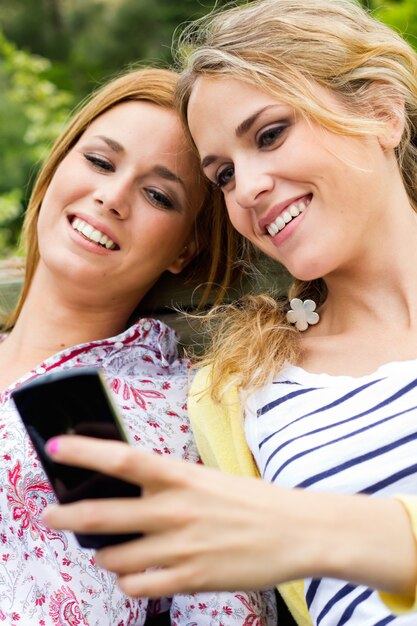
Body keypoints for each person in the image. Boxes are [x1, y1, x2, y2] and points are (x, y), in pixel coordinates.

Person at [39, 0, 417, 623]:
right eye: (222, 174)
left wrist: (334, 534)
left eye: (270, 135)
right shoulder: (239, 388)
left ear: (380, 109)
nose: (247, 188)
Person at [0, 65, 278, 624]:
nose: (111, 196)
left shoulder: (182, 417)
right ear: (56, 169)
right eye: (100, 162)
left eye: (157, 194)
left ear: (185, 249)